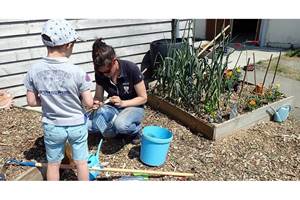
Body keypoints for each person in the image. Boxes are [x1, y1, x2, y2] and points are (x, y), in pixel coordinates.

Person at [24, 19, 93, 181]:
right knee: (82, 163)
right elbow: (89, 103)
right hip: (76, 125)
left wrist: (48, 100)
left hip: (53, 126)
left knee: (53, 164)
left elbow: (32, 102)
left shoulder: (33, 71)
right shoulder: (79, 72)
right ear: (68, 45)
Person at [89, 38, 147, 144]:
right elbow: (98, 97)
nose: (104, 75)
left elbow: (143, 98)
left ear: (114, 61)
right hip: (113, 107)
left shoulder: (131, 68)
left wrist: (123, 103)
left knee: (121, 125)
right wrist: (96, 103)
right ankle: (117, 131)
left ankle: (136, 130)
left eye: (107, 71)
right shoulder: (100, 73)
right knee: (89, 125)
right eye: (101, 73)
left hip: (133, 106)